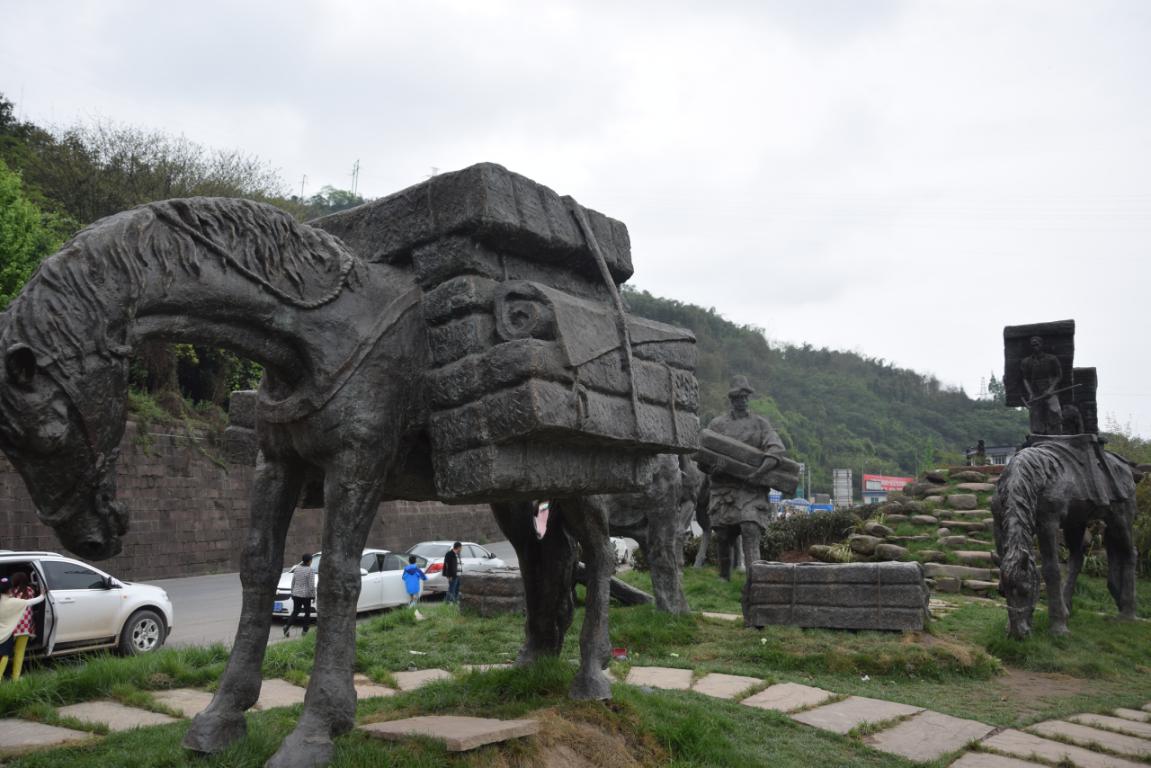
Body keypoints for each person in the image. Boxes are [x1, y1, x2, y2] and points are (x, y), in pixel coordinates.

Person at [706, 375, 787, 581]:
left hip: (751, 491)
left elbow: (776, 449)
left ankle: (756, 577)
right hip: (724, 489)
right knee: (722, 536)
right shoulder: (717, 425)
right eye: (738, 396)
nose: (742, 400)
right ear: (731, 399)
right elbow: (704, 459)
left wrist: (758, 473)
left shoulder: (760, 423)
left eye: (745, 396)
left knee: (750, 527)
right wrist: (715, 469)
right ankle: (724, 577)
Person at [0, 576, 45, 679]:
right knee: (18, 652)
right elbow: (33, 601)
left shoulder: (11, 597)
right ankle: (16, 677)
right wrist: (42, 594)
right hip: (23, 628)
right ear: (9, 589)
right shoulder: (17, 598)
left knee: (4, 654)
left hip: (7, 632)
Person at [1020, 335, 1063, 435]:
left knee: (1055, 412)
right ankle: (1038, 436)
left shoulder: (1052, 359)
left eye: (1037, 344)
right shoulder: (1026, 362)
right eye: (1033, 345)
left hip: (1050, 390)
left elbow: (1059, 375)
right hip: (1036, 392)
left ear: (1042, 345)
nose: (1035, 346)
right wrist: (1030, 393)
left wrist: (1051, 389)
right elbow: (1025, 378)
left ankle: (1057, 434)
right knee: (1035, 416)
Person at [283, 553, 316, 637]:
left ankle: (287, 626)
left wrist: (292, 592)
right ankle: (304, 631)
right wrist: (313, 595)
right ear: (309, 561)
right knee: (307, 613)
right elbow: (311, 585)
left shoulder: (297, 568)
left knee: (295, 611)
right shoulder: (310, 570)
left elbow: (293, 581)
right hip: (306, 595)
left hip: (296, 594)